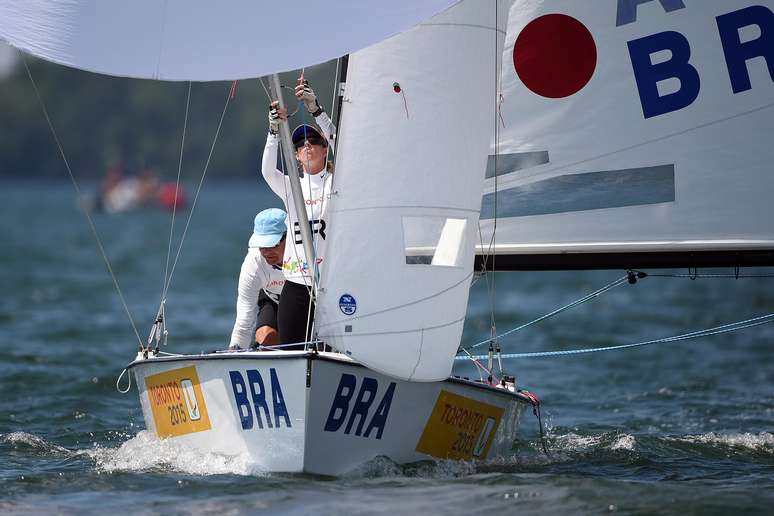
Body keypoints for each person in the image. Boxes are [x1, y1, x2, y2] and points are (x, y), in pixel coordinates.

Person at [262, 77, 336, 346]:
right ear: (294, 155)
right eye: (300, 142)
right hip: (296, 281)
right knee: (291, 351)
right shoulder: (293, 186)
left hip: (333, 283)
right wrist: (273, 131)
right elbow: (268, 171)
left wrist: (317, 110)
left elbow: (348, 150)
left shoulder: (336, 185)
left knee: (333, 352)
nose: (306, 144)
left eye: (314, 140)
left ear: (325, 148)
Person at [228, 208, 288, 350]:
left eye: (272, 244)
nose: (266, 252)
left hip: (310, 302)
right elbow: (243, 323)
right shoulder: (253, 263)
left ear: (289, 237)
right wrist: (233, 353)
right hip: (273, 298)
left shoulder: (309, 254)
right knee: (266, 337)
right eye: (262, 245)